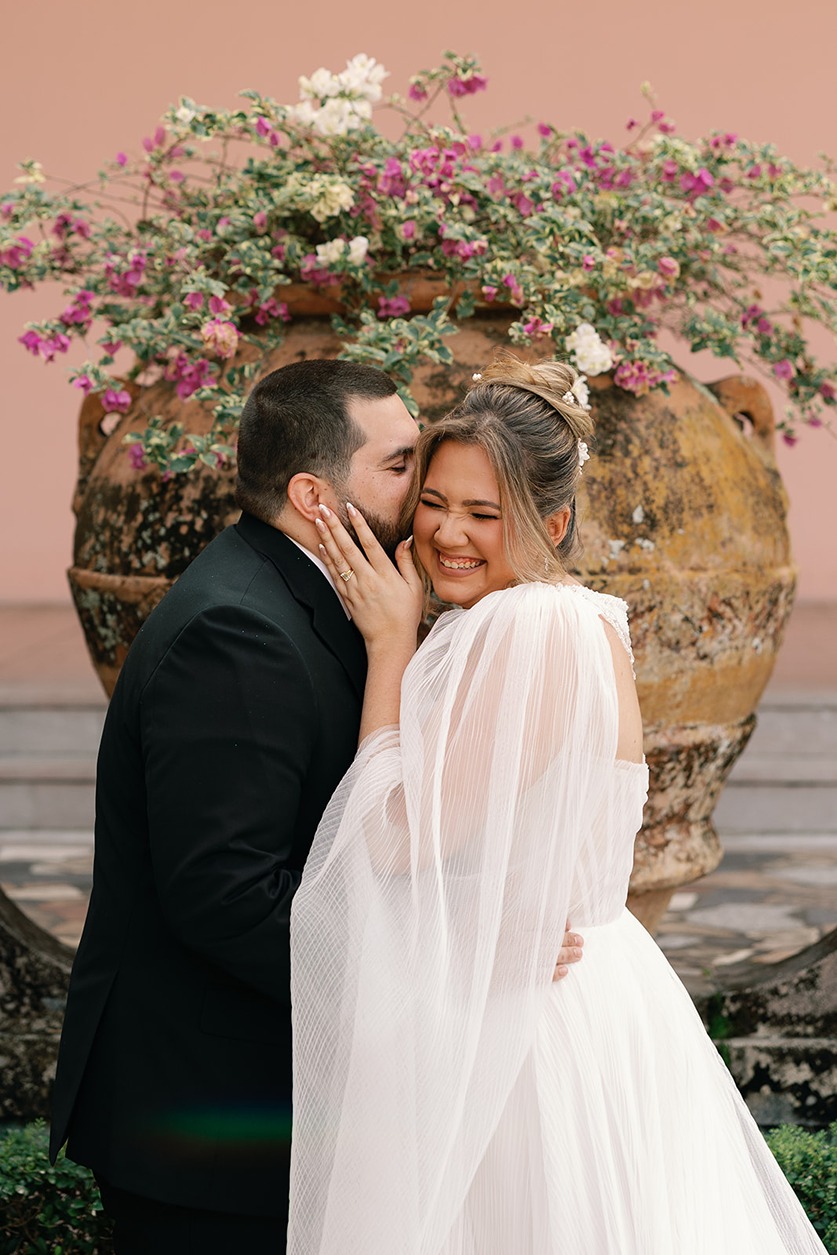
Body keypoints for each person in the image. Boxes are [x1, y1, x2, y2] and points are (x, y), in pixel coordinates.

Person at [289, 354, 827, 1254]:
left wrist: (386, 643)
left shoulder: (525, 627)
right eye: (433, 501)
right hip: (585, 987)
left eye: (483, 513)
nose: (446, 533)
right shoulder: (567, 618)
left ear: (555, 520)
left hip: (531, 1025)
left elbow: (394, 841)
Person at [50, 357, 583, 1254]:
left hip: (288, 1109)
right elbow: (227, 896)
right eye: (401, 464)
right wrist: (448, 964)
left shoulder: (350, 596)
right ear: (314, 494)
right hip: (211, 1124)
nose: (426, 491)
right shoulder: (239, 631)